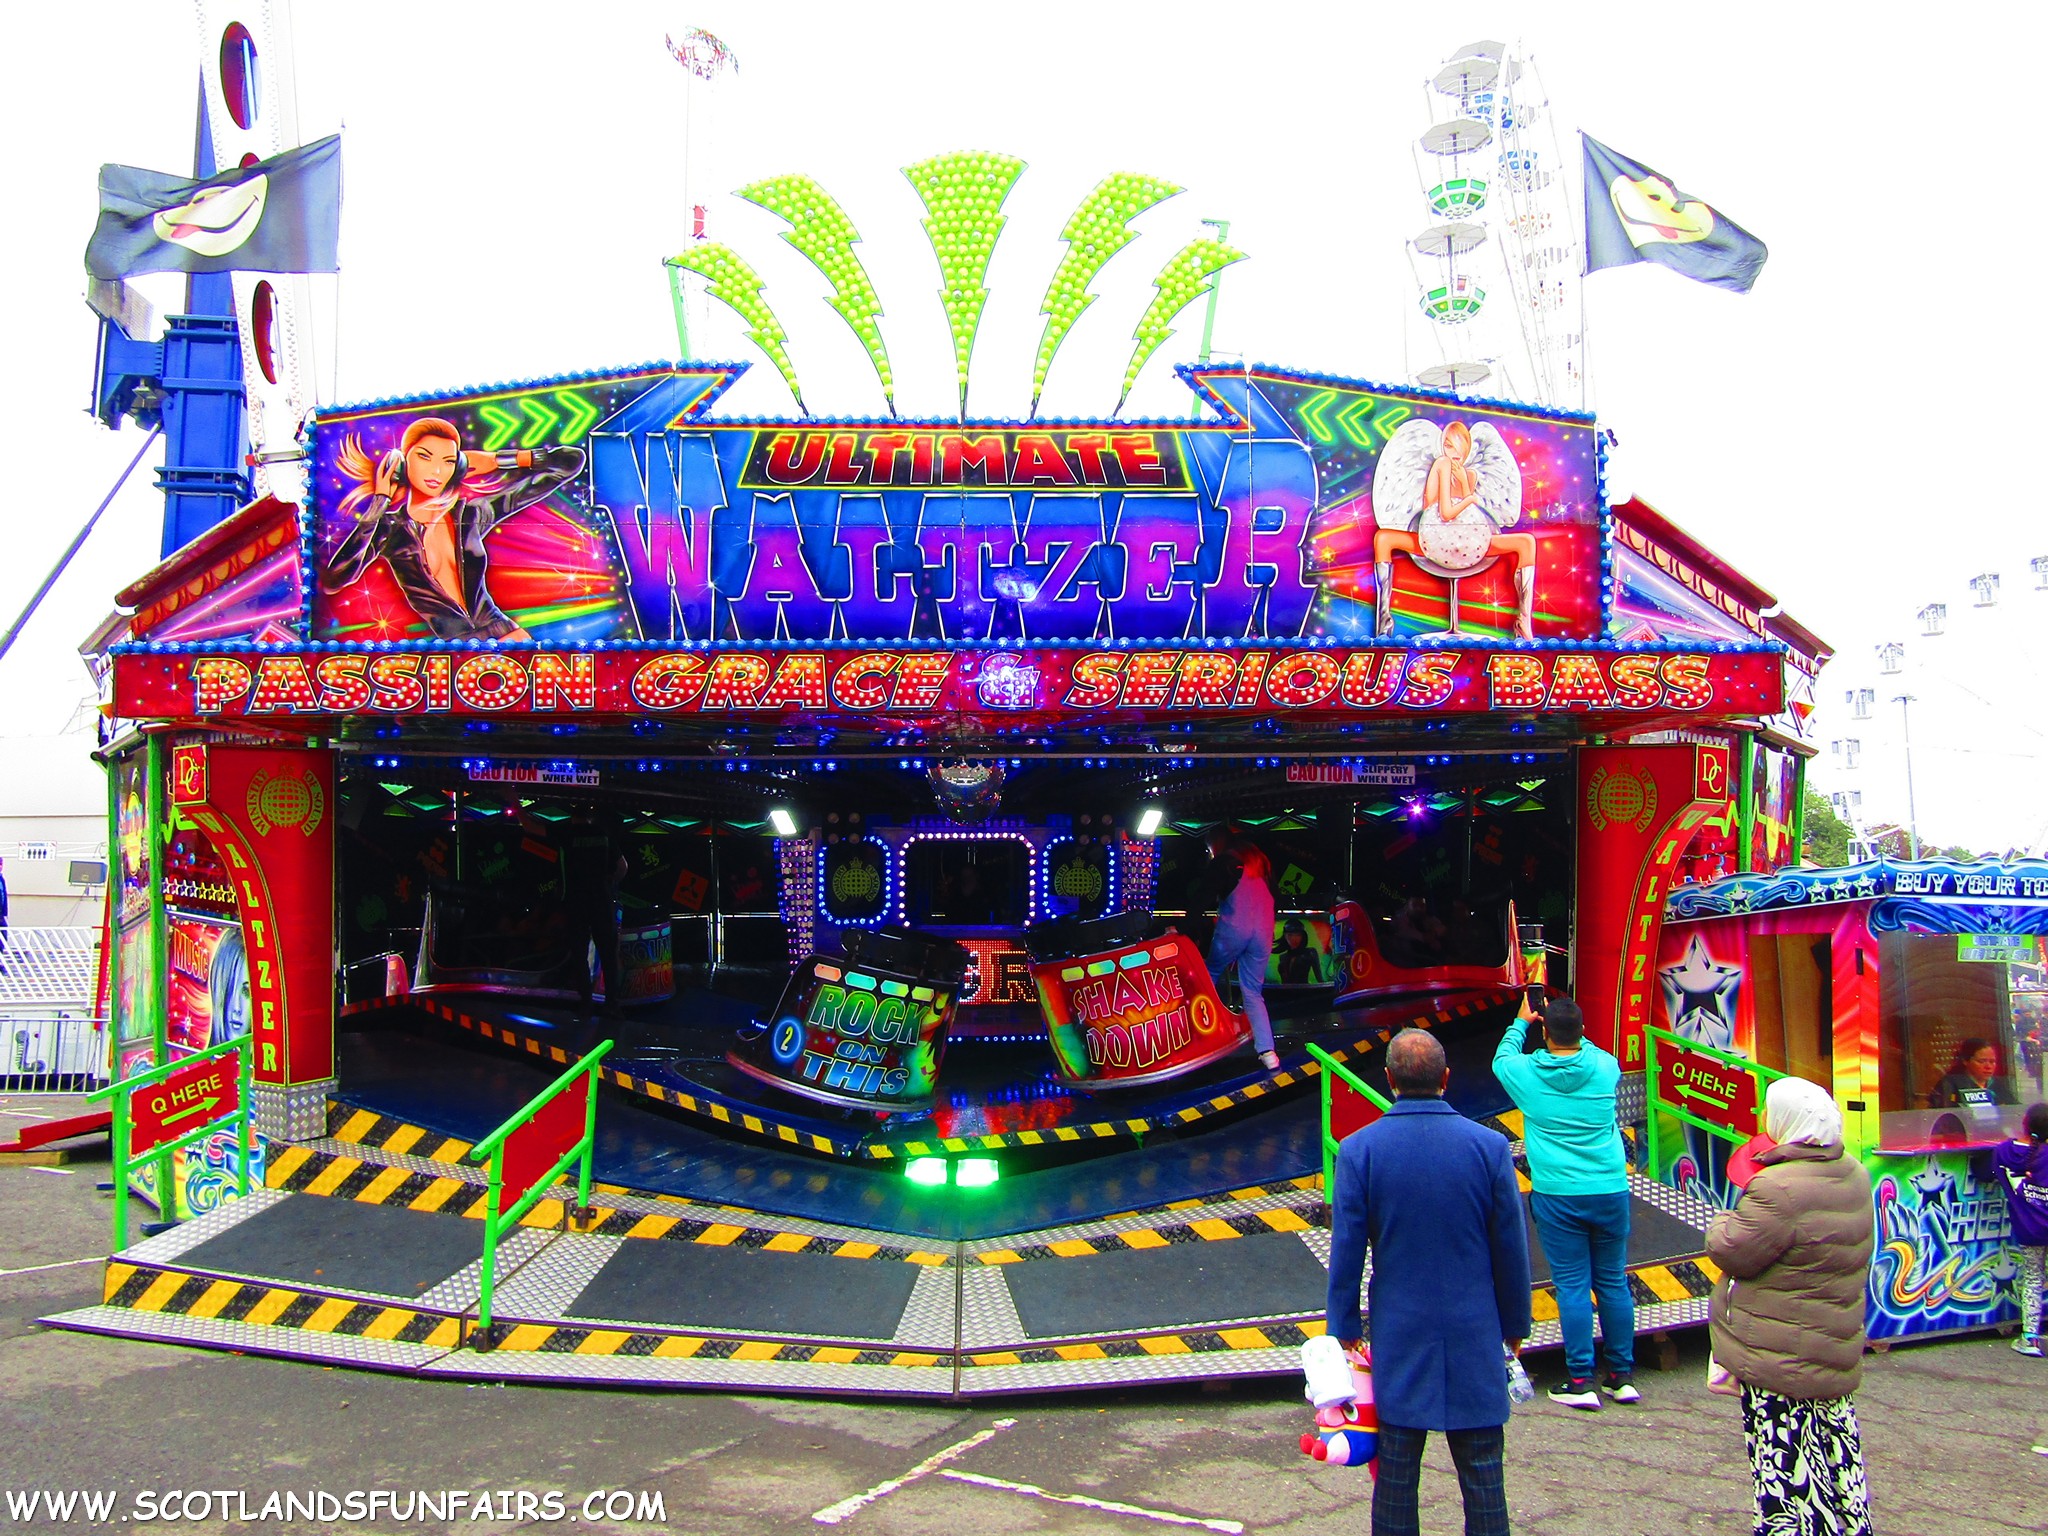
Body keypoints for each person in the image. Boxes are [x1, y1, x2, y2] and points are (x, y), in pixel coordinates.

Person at [1327, 1028, 1531, 1536]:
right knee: (1484, 1478)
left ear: (1389, 1079)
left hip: (1400, 1331)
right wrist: (1515, 1323)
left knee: (1395, 1478)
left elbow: (1347, 1248)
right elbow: (1510, 1245)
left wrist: (1344, 1326)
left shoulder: (1359, 1151)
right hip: (1475, 1327)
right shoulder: (1489, 1148)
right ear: (1446, 1077)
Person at [1707, 1077, 1875, 1536]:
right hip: (1833, 1341)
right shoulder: (1854, 1173)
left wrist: (1723, 1217)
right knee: (1835, 1452)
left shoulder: (1778, 1189)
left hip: (1780, 1352)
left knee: (1783, 1468)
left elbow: (1732, 1250)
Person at [1491, 992, 1636, 1409]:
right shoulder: (1605, 1067)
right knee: (1612, 1280)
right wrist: (1571, 1031)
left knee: (1572, 1284)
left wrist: (1521, 1023)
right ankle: (1622, 1376)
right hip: (1610, 1188)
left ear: (1544, 1031)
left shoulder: (1525, 1073)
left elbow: (1501, 1058)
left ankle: (1579, 1379)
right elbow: (1590, 1052)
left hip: (1558, 1192)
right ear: (1583, 1031)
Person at [320, 416, 586, 640]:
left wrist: (495, 459)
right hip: (456, 647)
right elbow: (335, 580)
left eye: (448, 461)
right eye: (425, 457)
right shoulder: (390, 529)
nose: (436, 470)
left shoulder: (472, 514)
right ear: (402, 464)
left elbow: (570, 462)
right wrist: (380, 501)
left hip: (507, 633)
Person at [1202, 828, 1278, 1070]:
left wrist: (1182, 926)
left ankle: (1202, 1036)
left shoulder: (1224, 861)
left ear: (1215, 844)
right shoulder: (1260, 861)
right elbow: (1276, 895)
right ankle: (1268, 1053)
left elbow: (1202, 897)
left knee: (1207, 976)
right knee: (1253, 992)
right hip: (1264, 929)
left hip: (1235, 928)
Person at [1992, 1101, 2048, 1356]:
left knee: (2034, 1279)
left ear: (2024, 1123)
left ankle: (2030, 1339)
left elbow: (1984, 1173)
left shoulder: (2003, 1152)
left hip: (2029, 1231)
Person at [563, 809, 626, 1011]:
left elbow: (531, 827)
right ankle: (612, 1004)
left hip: (577, 900)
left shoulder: (567, 833)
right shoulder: (603, 834)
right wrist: (608, 882)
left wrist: (513, 802)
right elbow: (623, 867)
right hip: (602, 898)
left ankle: (586, 1001)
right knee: (608, 953)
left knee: (579, 952)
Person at [1929, 1037, 2017, 1109]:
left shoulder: (1997, 1084)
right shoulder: (1950, 1083)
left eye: (1992, 1062)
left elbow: (2015, 1109)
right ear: (1965, 1061)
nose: (1988, 1066)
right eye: (1982, 1061)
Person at [1274, 918, 1322, 986]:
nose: (1294, 939)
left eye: (1298, 935)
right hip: (1286, 994)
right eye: (1290, 935)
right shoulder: (1283, 957)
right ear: (1285, 936)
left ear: (1303, 936)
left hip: (1305, 993)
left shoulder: (1310, 953)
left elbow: (1320, 979)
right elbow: (1284, 983)